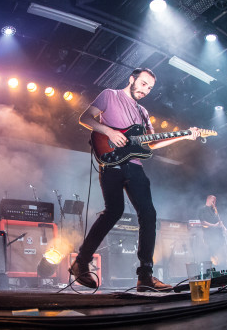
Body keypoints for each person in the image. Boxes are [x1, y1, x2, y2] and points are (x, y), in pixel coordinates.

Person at [71, 68, 202, 291]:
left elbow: (151, 142)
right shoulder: (110, 95)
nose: (145, 90)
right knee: (114, 211)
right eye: (142, 84)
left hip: (135, 166)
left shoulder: (143, 112)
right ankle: (81, 262)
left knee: (149, 214)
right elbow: (85, 118)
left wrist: (183, 135)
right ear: (132, 79)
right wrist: (109, 132)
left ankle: (145, 276)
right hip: (111, 161)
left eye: (149, 88)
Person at [197, 195, 227, 265]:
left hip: (218, 235)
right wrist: (213, 225)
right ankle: (211, 265)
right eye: (213, 201)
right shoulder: (202, 209)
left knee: (219, 250)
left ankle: (220, 264)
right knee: (211, 251)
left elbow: (219, 221)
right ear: (208, 200)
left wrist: (224, 228)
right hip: (209, 235)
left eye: (215, 201)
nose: (214, 202)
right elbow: (203, 222)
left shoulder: (214, 210)